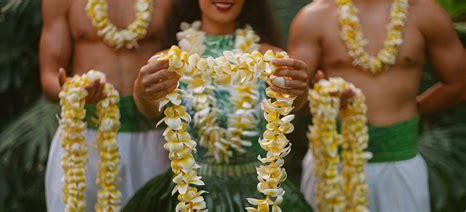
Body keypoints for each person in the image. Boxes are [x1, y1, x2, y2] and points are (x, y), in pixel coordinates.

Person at [125, 0, 312, 211]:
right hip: (190, 191)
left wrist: (300, 91)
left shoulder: (271, 57)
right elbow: (149, 109)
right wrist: (142, 93)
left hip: (261, 191)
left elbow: (293, 105)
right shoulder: (170, 60)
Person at [289, 0, 466, 211]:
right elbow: (290, 99)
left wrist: (410, 111)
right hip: (331, 164)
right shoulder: (314, 16)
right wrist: (321, 98)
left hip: (400, 159)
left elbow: (460, 84)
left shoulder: (424, 12)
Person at [40, 0, 174, 210]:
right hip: (81, 138)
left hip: (151, 134)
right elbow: (48, 75)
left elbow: (185, 48)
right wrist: (71, 93)